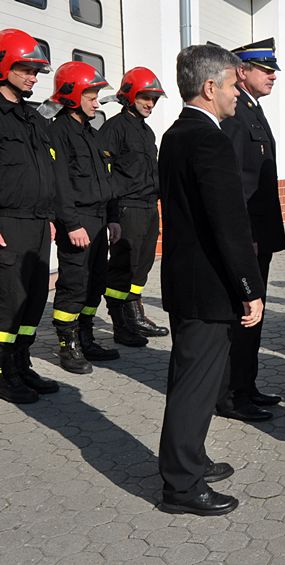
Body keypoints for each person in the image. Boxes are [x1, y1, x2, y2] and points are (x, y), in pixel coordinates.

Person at [157, 44, 265, 516]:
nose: (238, 92)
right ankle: (181, 485)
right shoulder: (209, 139)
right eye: (232, 84)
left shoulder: (176, 133)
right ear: (208, 87)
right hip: (208, 285)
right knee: (195, 384)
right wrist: (250, 289)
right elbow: (229, 224)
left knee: (190, 377)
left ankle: (191, 458)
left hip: (186, 280)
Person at [217, 38, 285, 423]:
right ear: (242, 71)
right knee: (243, 314)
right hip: (248, 236)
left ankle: (247, 385)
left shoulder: (252, 110)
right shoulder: (236, 115)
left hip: (260, 235)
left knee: (254, 317)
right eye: (265, 69)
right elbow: (232, 187)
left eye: (273, 69)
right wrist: (243, 238)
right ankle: (231, 395)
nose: (272, 75)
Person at [47, 62, 121, 374]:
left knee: (95, 282)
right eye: (91, 97)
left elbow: (106, 178)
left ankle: (86, 337)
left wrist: (112, 218)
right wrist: (72, 223)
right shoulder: (58, 133)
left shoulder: (91, 134)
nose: (96, 103)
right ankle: (67, 346)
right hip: (78, 221)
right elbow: (59, 183)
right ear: (72, 96)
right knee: (74, 284)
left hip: (99, 219)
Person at [0, 29, 59, 404]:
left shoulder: (32, 118)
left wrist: (50, 216)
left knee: (34, 298)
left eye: (36, 71)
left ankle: (21, 364)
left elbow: (46, 171)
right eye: (25, 69)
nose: (33, 77)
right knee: (9, 301)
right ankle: (4, 372)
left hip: (38, 223)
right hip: (8, 223)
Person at [100, 67, 169, 348]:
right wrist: (112, 214)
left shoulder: (146, 130)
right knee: (122, 267)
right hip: (127, 207)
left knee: (142, 265)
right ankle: (121, 325)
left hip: (149, 205)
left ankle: (135, 315)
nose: (150, 104)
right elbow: (105, 174)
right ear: (129, 96)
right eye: (145, 98)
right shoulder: (114, 129)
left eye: (154, 99)